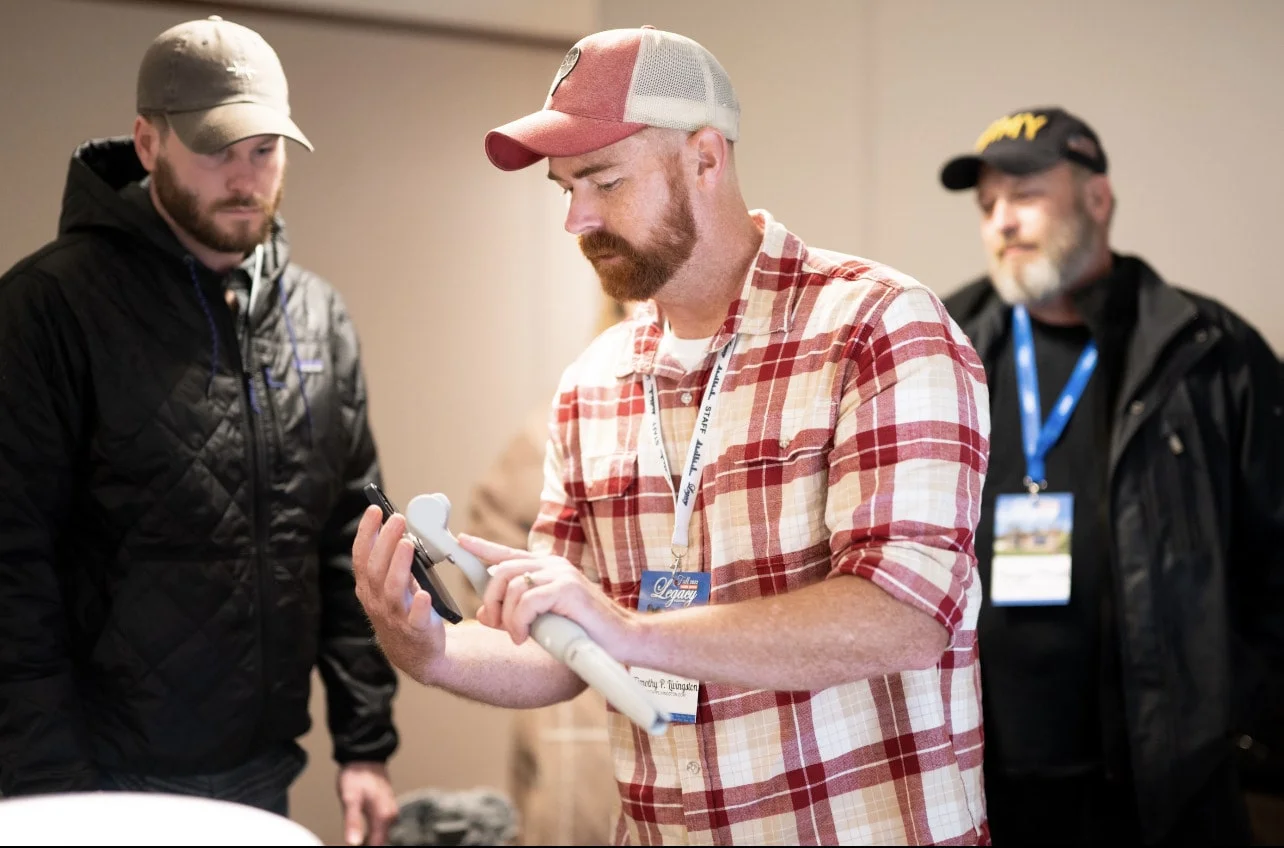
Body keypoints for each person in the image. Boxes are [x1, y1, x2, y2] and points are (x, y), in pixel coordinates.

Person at [353, 26, 991, 845]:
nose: (577, 219)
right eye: (564, 190)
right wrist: (430, 649)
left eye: (604, 181)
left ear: (705, 158)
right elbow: (563, 646)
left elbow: (904, 614)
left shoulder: (877, 327)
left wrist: (634, 630)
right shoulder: (594, 384)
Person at [0, 16, 401, 843]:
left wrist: (365, 746)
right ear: (148, 143)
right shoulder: (47, 309)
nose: (246, 177)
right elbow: (11, 568)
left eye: (265, 148)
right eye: (218, 148)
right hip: (98, 779)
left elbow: (349, 543)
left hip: (262, 771)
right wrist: (51, 793)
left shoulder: (320, 319)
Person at [937, 106, 1284, 846]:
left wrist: (1228, 713)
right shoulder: (942, 345)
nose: (1001, 220)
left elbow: (1277, 562)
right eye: (988, 203)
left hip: (1158, 783)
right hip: (979, 775)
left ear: (1098, 198)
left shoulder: (1206, 351)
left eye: (1026, 194)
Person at [463, 295, 629, 846]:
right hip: (579, 708)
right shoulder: (568, 417)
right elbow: (491, 543)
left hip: (700, 686)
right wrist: (553, 616)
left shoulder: (732, 414)